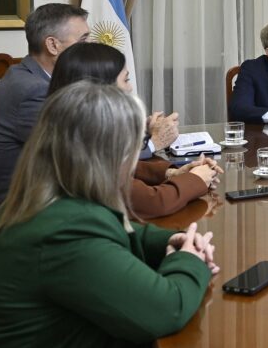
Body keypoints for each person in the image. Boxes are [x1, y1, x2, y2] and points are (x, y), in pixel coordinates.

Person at [0, 82, 218, 348]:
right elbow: (166, 310)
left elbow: (114, 229)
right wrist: (190, 260)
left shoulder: (44, 198)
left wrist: (172, 240)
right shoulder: (64, 234)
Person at [47, 42, 221, 220]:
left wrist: (171, 173)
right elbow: (154, 202)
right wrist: (196, 179)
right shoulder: (77, 147)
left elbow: (117, 165)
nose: (130, 88)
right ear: (101, 88)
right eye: (126, 80)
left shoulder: (68, 128)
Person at [0, 3, 91, 241]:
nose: (91, 46)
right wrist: (147, 145)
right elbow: (77, 156)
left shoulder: (29, 75)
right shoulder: (33, 91)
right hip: (11, 220)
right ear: (53, 45)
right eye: (83, 40)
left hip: (30, 200)